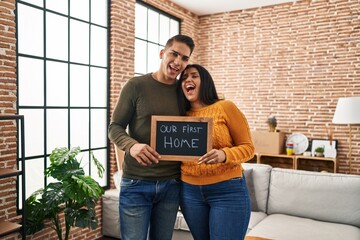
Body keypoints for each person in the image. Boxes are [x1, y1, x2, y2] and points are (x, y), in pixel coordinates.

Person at [108, 34, 195, 240]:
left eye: (184, 58)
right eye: (174, 54)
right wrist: (132, 146)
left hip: (172, 184)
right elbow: (115, 127)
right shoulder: (136, 86)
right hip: (137, 182)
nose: (178, 62)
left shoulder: (185, 92)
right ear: (162, 53)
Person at [177, 64, 255, 240]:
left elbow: (249, 148)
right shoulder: (178, 114)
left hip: (227, 190)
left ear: (205, 81)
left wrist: (224, 154)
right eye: (184, 78)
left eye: (194, 76)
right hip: (189, 192)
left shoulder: (225, 107)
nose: (188, 80)